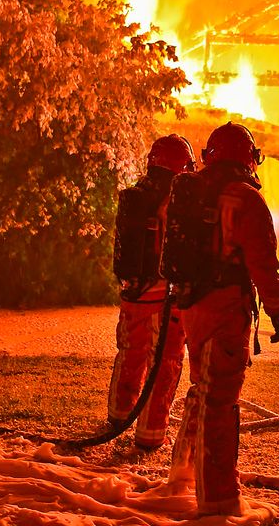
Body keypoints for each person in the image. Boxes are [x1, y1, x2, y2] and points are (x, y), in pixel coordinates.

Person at [163, 122, 279, 517]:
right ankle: (218, 500)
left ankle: (181, 475)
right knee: (220, 399)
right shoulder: (246, 199)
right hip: (225, 307)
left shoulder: (187, 190)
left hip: (192, 307)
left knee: (202, 387)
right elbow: (263, 263)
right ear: (250, 158)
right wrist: (278, 309)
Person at [107, 134, 194, 451]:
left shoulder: (137, 195)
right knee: (166, 362)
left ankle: (118, 417)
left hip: (135, 292)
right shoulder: (181, 198)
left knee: (130, 354)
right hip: (168, 296)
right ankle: (150, 434)